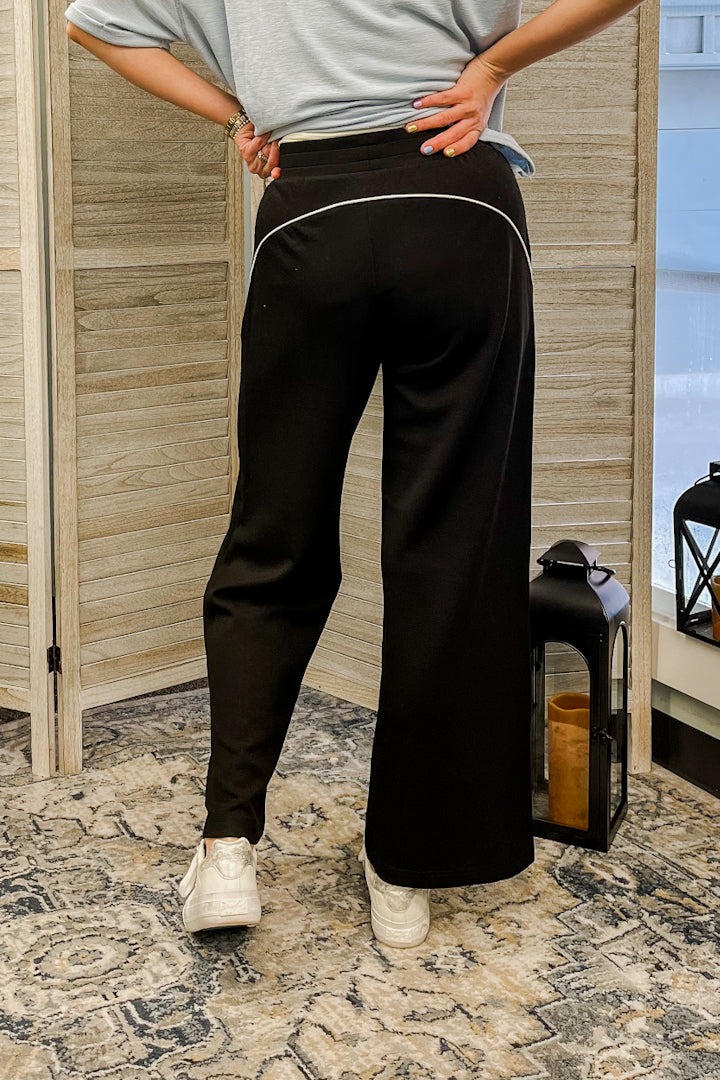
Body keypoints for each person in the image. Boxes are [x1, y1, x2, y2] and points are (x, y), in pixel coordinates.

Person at [65, 0, 646, 947]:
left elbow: (94, 23)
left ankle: (227, 850)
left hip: (314, 209)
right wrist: (491, 70)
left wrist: (238, 115)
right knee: (450, 547)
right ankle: (408, 865)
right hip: (458, 198)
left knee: (273, 535)